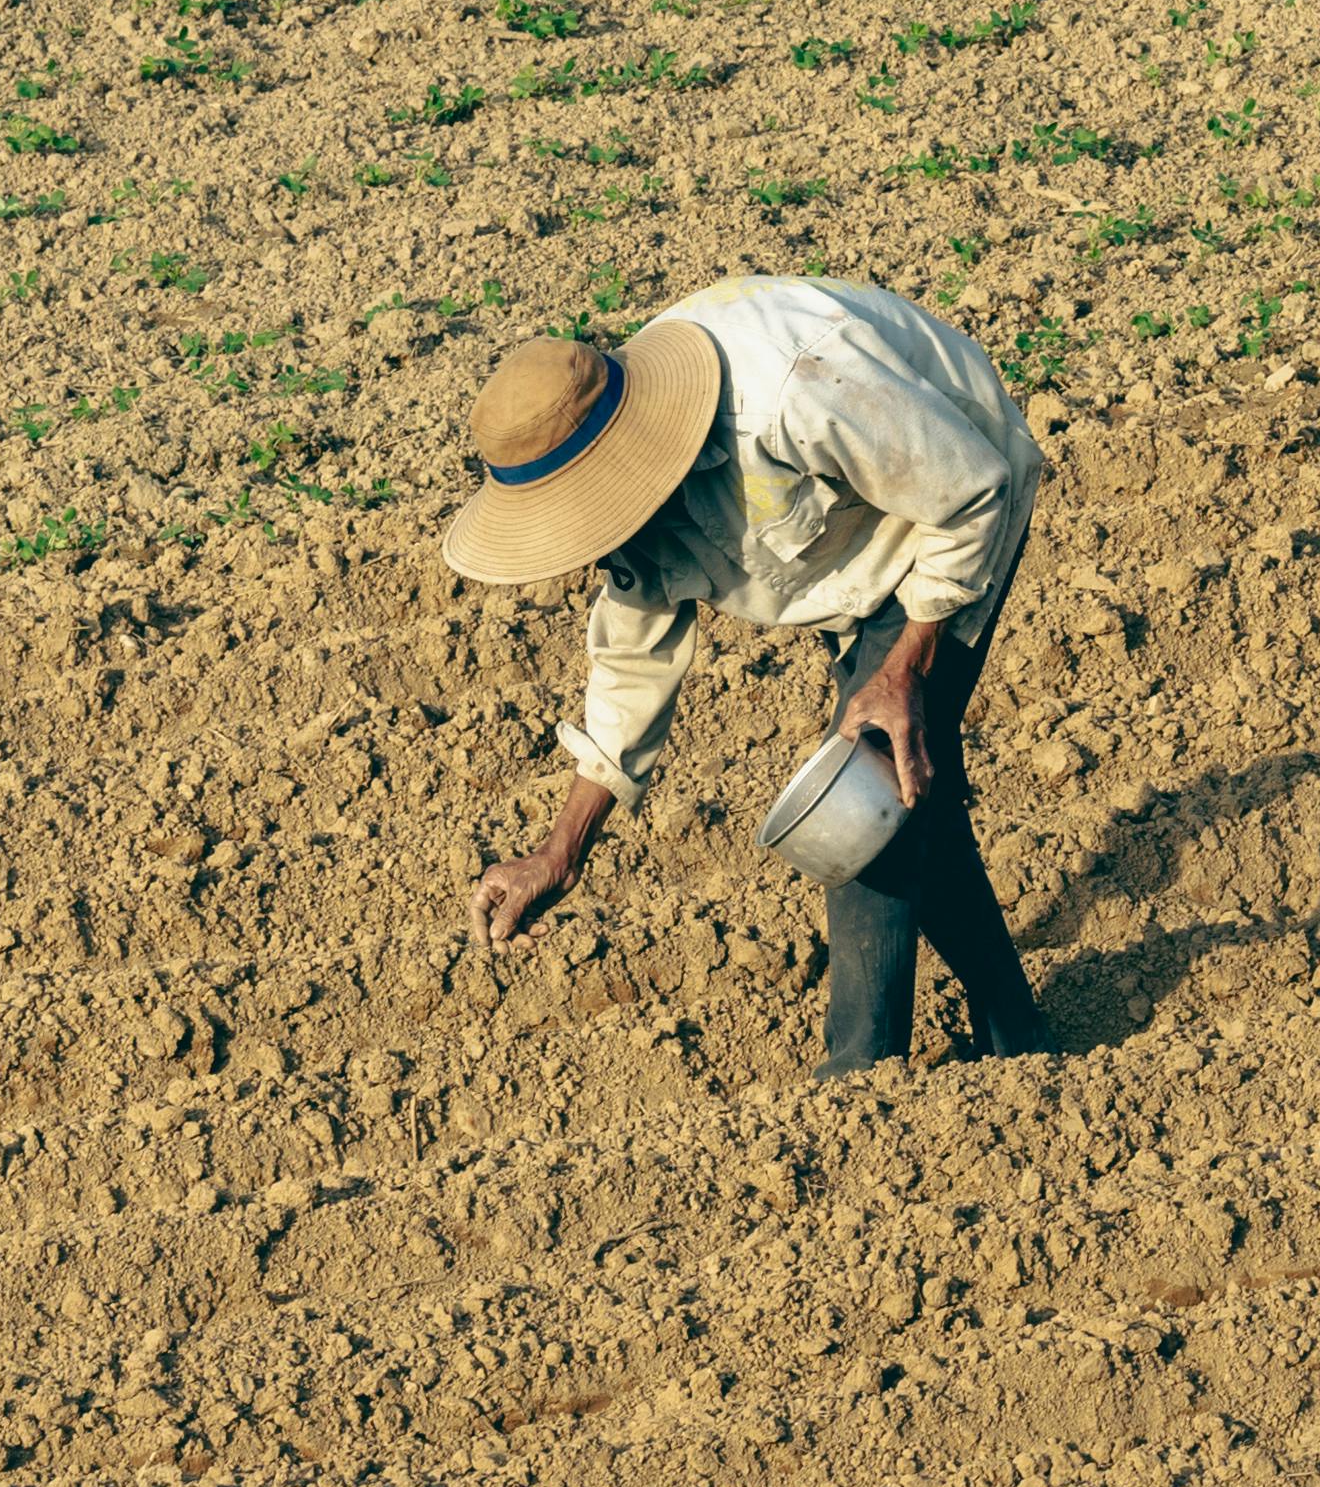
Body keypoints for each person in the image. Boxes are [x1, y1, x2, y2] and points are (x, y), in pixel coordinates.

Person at [445, 277, 1062, 1074]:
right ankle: (1024, 1043)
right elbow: (632, 664)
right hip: (853, 559)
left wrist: (905, 664)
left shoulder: (791, 392)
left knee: (860, 794)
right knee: (914, 795)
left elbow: (971, 486)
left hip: (951, 499)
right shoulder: (633, 508)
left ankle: (861, 1079)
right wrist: (559, 852)